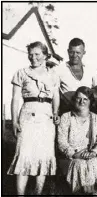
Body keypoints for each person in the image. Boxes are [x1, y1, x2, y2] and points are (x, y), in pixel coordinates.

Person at [7, 41, 60, 195]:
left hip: (46, 118)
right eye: (30, 54)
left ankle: (37, 193)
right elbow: (15, 99)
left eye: (37, 54)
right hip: (28, 116)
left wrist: (56, 112)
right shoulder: (21, 73)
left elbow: (56, 96)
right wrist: (15, 121)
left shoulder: (53, 75)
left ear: (45, 55)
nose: (33, 57)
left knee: (44, 155)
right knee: (24, 154)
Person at [57, 86, 97, 194]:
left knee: (92, 163)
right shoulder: (66, 117)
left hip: (89, 154)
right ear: (74, 100)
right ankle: (80, 192)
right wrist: (74, 154)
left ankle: (92, 193)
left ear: (90, 102)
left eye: (85, 99)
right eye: (78, 98)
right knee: (80, 164)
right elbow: (62, 142)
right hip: (70, 157)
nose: (81, 101)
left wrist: (94, 152)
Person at [55, 38, 97, 114]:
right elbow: (54, 93)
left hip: (87, 113)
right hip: (67, 112)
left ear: (84, 52)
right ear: (68, 52)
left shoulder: (91, 70)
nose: (75, 55)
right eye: (72, 52)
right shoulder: (59, 69)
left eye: (78, 52)